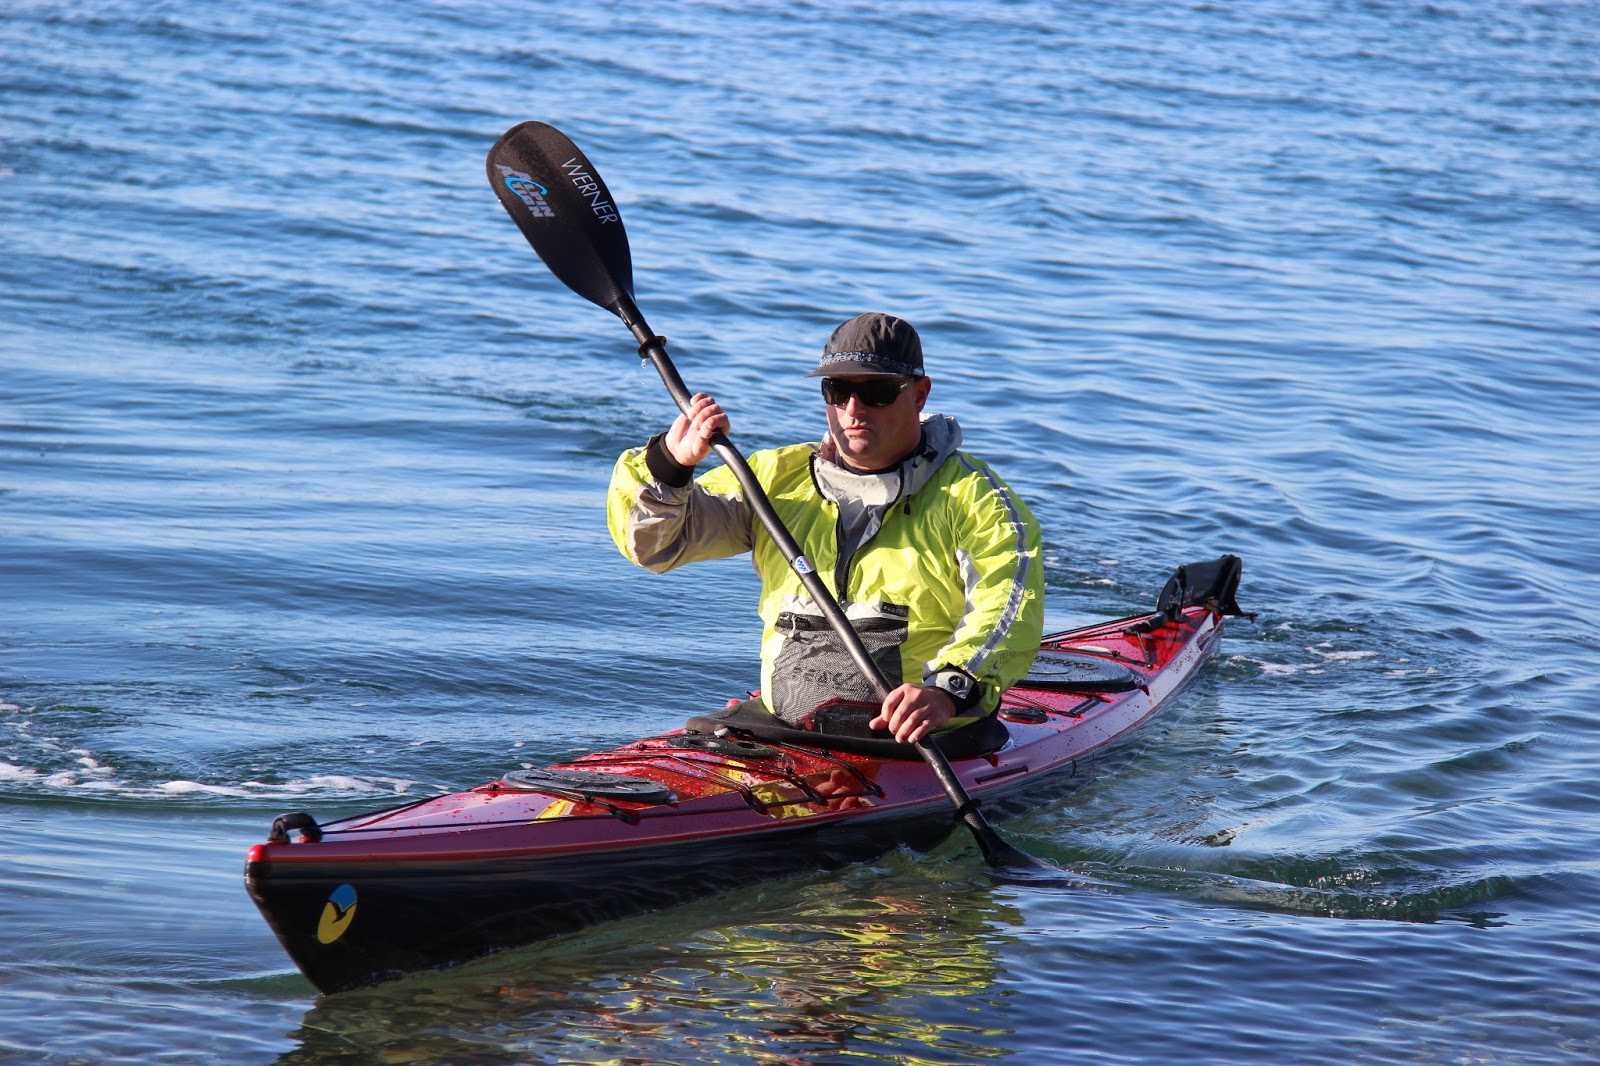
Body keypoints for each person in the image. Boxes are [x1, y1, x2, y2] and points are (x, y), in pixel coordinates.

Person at [606, 313, 1044, 745]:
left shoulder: (978, 500)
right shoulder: (773, 479)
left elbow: (1006, 609)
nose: (853, 410)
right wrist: (671, 465)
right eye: (837, 391)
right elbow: (654, 547)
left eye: (877, 392)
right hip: (785, 729)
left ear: (920, 395)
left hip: (915, 740)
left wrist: (950, 690)